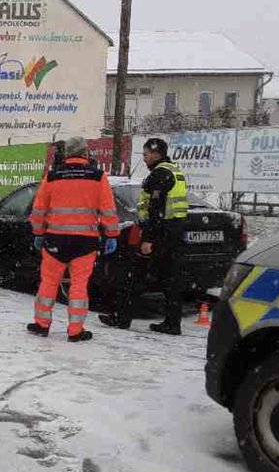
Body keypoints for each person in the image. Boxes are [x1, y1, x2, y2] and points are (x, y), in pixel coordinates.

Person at [27, 136, 120, 342]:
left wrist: (38, 233)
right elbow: (108, 209)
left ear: (67, 153)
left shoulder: (52, 176)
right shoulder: (97, 176)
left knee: (49, 283)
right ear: (86, 153)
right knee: (78, 285)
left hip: (55, 240)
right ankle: (75, 330)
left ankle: (41, 325)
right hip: (85, 242)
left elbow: (39, 209)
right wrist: (112, 235)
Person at [100, 137, 189, 335]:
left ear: (156, 153)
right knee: (170, 280)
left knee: (134, 276)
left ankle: (122, 318)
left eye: (146, 154)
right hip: (173, 232)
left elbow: (155, 210)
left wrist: (148, 239)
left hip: (159, 233)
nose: (145, 158)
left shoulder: (160, 175)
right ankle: (172, 323)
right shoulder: (175, 170)